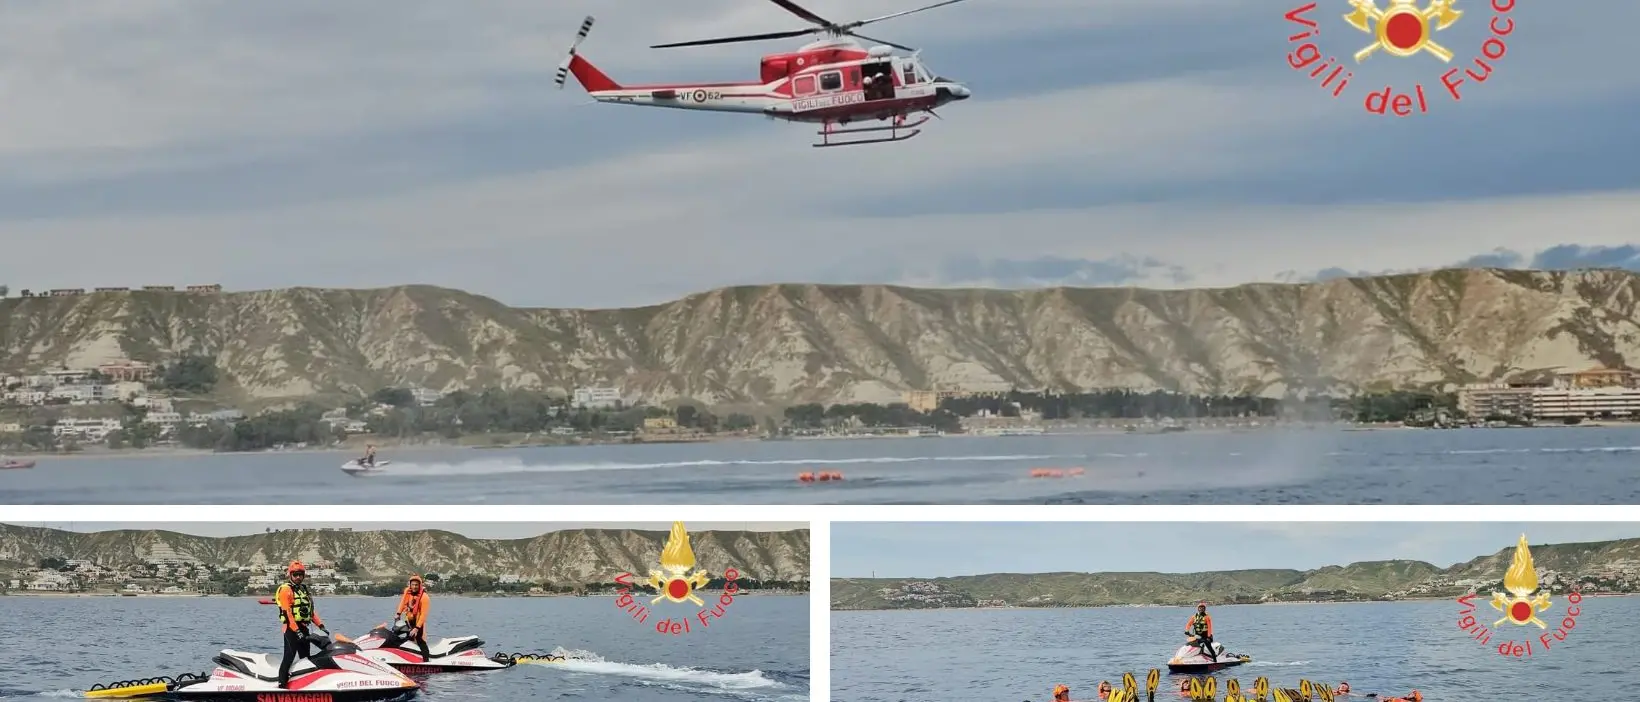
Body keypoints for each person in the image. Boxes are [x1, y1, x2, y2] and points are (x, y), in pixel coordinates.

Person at [275, 561, 328, 689]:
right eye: (295, 574)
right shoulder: (285, 590)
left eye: (300, 574)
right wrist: (297, 631)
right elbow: (288, 614)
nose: (298, 577)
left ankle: (304, 684)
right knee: (289, 656)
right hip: (290, 629)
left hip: (303, 627)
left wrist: (320, 625)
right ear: (290, 575)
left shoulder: (303, 589)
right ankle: (282, 685)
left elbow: (310, 612)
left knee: (306, 658)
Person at [394, 574, 431, 662]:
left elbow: (423, 615)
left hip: (418, 622)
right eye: (413, 584)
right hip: (409, 620)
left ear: (420, 585)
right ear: (410, 585)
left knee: (419, 640)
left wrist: (417, 628)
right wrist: (398, 614)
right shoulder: (407, 591)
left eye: (416, 585)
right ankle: (404, 657)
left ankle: (426, 661)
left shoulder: (424, 597)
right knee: (399, 634)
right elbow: (403, 602)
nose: (414, 587)